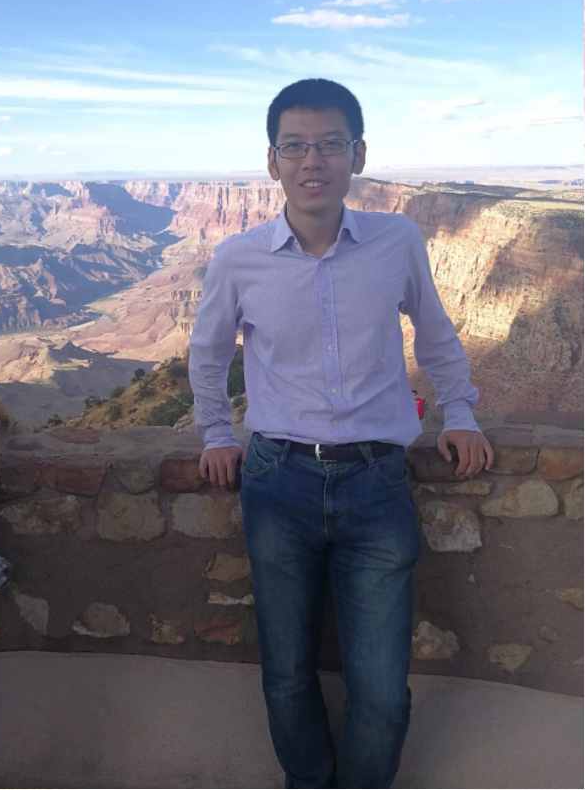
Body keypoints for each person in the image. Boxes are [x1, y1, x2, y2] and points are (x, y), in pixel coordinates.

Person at [188, 77, 494, 789]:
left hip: (376, 481)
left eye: (329, 144)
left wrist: (461, 414)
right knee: (287, 673)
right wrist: (214, 434)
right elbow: (207, 354)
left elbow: (435, 333)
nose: (312, 161)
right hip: (276, 480)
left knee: (381, 693)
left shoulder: (397, 240)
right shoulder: (238, 257)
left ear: (357, 154)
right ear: (272, 161)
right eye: (294, 146)